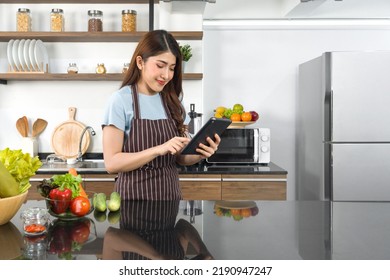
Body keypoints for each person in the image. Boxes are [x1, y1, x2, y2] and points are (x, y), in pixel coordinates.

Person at [102, 30, 220, 200]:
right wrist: (159, 149)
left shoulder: (174, 101)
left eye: (172, 68)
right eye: (160, 65)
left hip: (169, 198)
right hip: (133, 201)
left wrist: (200, 153)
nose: (166, 75)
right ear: (140, 62)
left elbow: (181, 157)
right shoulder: (120, 100)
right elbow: (112, 163)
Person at [102, 200, 214, 260]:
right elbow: (182, 226)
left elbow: (111, 236)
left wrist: (157, 256)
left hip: (134, 198)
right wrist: (203, 250)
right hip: (166, 197)